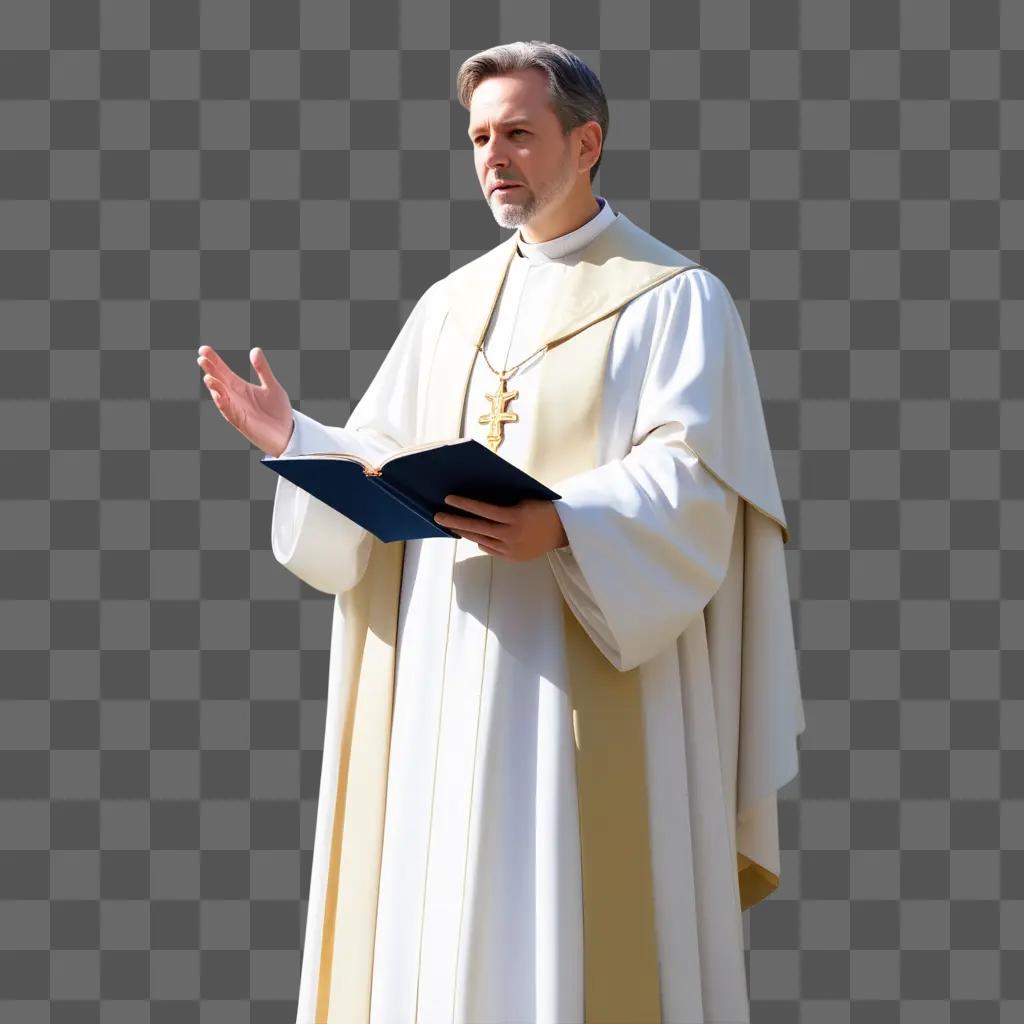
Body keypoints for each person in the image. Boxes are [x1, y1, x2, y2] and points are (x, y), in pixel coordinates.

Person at [198, 40, 805, 1024]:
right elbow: (386, 457)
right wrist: (300, 439)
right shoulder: (449, 307)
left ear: (587, 141)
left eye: (518, 132)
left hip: (587, 667)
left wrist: (565, 525)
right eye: (480, 135)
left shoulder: (675, 300)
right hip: (447, 669)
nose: (493, 156)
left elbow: (697, 484)